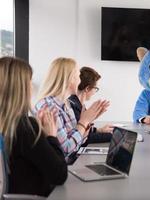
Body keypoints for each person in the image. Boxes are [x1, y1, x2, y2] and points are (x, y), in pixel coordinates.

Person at [0, 57, 67, 197]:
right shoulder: (25, 127)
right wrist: (51, 136)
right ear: (21, 88)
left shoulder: (11, 126)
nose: (32, 86)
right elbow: (59, 175)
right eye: (29, 81)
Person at [34, 57, 109, 162]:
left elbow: (79, 142)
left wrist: (87, 122)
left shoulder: (66, 104)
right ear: (70, 79)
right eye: (78, 76)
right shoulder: (50, 107)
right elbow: (65, 150)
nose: (80, 80)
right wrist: (84, 122)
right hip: (62, 169)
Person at [69, 66, 113, 145]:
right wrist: (112, 137)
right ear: (87, 88)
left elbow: (83, 130)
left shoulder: (78, 104)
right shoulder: (72, 106)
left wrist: (99, 130)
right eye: (95, 88)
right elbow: (85, 137)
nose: (94, 92)